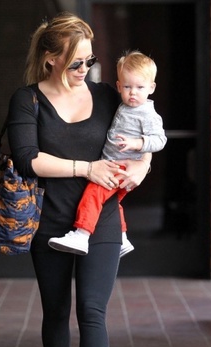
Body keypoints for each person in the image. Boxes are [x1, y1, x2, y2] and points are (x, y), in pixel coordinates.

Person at [7, 12, 152, 347]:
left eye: (88, 62)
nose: (83, 71)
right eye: (74, 63)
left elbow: (146, 128)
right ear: (51, 59)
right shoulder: (28, 100)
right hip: (49, 222)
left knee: (93, 310)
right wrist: (86, 167)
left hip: (102, 219)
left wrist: (141, 167)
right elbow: (26, 158)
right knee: (56, 312)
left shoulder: (108, 96)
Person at [48, 50, 167, 257]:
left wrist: (138, 144)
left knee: (93, 194)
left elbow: (160, 140)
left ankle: (81, 234)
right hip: (113, 163)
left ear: (151, 88)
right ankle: (122, 238)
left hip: (119, 166)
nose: (133, 93)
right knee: (110, 202)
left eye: (140, 88)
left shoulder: (148, 114)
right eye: (127, 87)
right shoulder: (123, 104)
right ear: (119, 86)